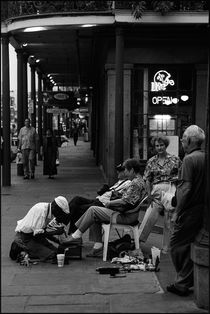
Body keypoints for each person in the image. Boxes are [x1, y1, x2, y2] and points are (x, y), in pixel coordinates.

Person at [62, 158, 146, 257]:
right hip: (127, 213)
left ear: (132, 170)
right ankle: (96, 246)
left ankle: (77, 235)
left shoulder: (135, 183)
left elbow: (125, 201)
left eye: (126, 170)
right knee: (94, 212)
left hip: (125, 216)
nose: (126, 173)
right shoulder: (139, 181)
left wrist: (110, 203)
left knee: (93, 210)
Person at [166, 125, 205, 296]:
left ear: (189, 141)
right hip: (201, 209)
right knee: (189, 245)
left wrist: (176, 212)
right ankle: (184, 281)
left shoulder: (189, 159)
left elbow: (186, 188)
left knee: (176, 245)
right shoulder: (203, 157)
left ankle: (183, 282)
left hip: (190, 211)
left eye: (183, 138)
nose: (181, 141)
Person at [138, 133, 182, 253]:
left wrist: (178, 192)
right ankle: (138, 242)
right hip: (156, 190)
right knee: (150, 215)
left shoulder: (175, 159)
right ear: (154, 147)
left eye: (161, 145)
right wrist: (149, 194)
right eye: (157, 146)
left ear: (165, 145)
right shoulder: (151, 161)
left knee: (169, 219)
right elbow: (147, 179)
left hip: (170, 188)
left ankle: (167, 247)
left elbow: (182, 177)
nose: (159, 147)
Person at [67, 163, 131, 234]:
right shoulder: (120, 181)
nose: (117, 172)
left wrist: (109, 193)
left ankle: (72, 233)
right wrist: (105, 190)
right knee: (77, 199)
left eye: (121, 171)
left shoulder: (128, 183)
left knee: (78, 209)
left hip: (103, 204)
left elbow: (122, 197)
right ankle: (64, 220)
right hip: (99, 200)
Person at [12, 196, 69, 263]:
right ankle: (21, 247)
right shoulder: (41, 212)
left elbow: (43, 232)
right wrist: (55, 232)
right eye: (60, 212)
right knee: (52, 255)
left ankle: (31, 251)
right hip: (25, 238)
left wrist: (58, 241)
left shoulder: (48, 210)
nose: (60, 215)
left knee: (57, 251)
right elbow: (38, 235)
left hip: (34, 236)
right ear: (56, 208)